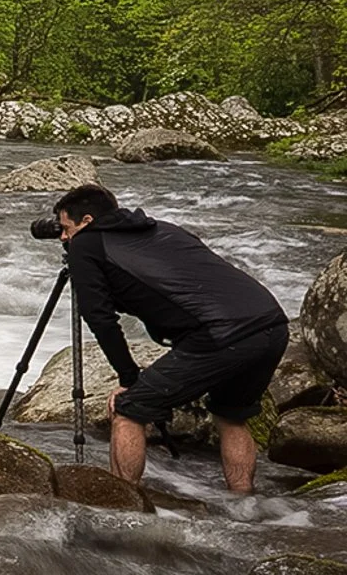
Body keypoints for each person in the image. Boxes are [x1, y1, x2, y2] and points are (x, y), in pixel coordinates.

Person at [52, 183, 288, 494]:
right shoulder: (164, 229)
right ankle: (244, 502)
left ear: (87, 221)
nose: (63, 237)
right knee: (231, 414)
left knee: (129, 407)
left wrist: (129, 378)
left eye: (65, 228)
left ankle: (123, 507)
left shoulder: (85, 244)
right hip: (272, 324)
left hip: (220, 334)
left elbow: (99, 317)